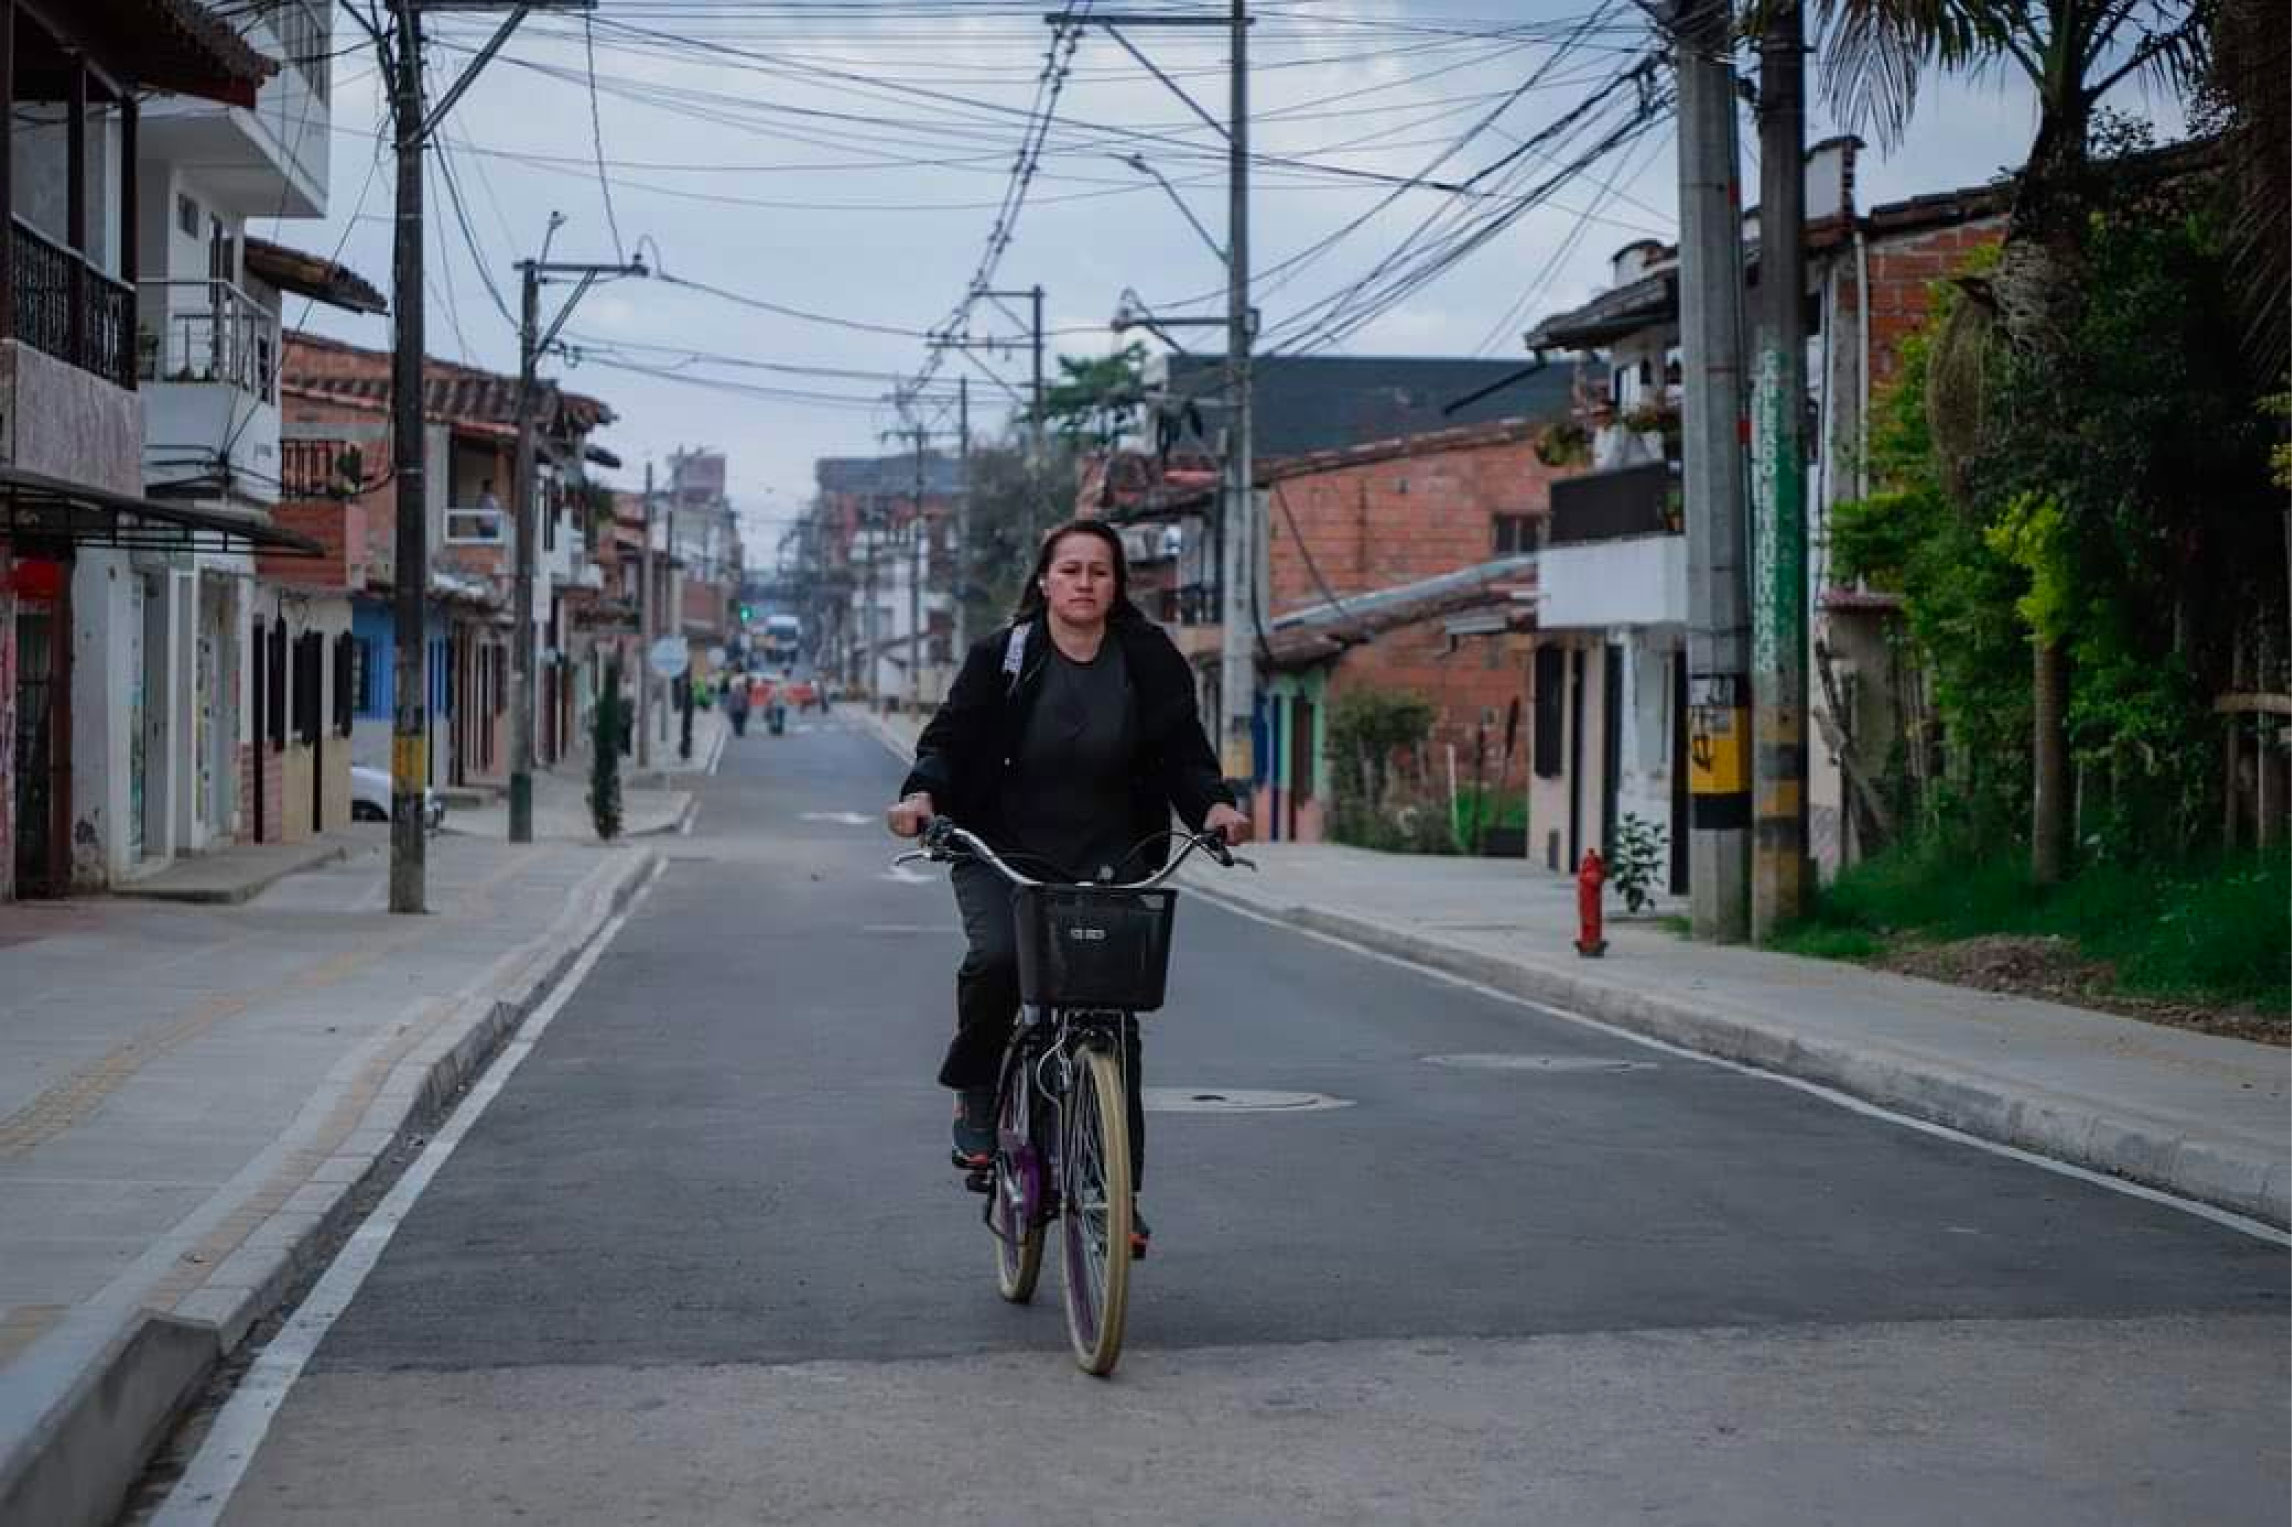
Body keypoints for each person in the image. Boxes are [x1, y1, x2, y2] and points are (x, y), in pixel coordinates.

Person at [887, 519, 1251, 1256]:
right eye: (1071, 569)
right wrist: (922, 797)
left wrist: (1213, 803)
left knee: (1114, 1016)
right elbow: (949, 740)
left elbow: (1184, 752)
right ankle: (979, 1089)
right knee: (997, 960)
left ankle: (1121, 1192)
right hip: (1002, 846)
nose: (1085, 582)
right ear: (1046, 581)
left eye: (1100, 571)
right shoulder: (1005, 656)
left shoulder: (1147, 659)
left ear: (1117, 585)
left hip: (1115, 850)